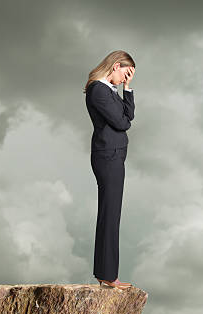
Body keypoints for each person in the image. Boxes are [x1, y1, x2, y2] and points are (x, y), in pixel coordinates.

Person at [83, 50, 136, 290]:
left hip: (113, 156)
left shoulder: (110, 90)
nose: (125, 79)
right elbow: (122, 123)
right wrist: (123, 106)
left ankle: (106, 273)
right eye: (125, 74)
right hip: (108, 156)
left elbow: (128, 116)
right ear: (115, 66)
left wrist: (128, 89)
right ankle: (107, 274)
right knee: (109, 213)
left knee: (112, 213)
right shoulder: (99, 90)